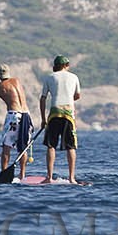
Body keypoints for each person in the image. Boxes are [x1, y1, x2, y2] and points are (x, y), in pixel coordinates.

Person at [0, 64, 33, 181]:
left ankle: (4, 173)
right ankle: (22, 175)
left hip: (13, 116)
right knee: (23, 147)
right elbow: (6, 84)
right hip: (26, 115)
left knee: (6, 146)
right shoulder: (17, 81)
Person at [40, 55, 81, 184]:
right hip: (68, 114)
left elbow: (43, 98)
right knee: (71, 147)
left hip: (54, 113)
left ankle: (49, 177)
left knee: (51, 145)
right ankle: (71, 178)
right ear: (66, 66)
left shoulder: (49, 77)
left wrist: (43, 119)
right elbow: (77, 95)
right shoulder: (74, 77)